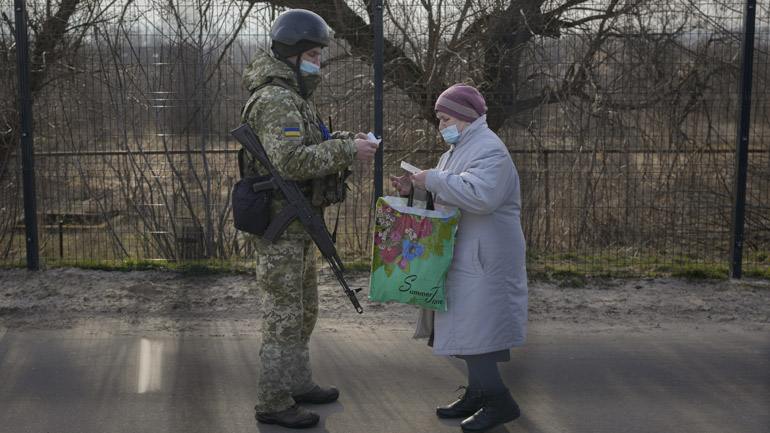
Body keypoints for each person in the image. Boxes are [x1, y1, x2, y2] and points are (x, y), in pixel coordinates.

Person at [239, 9, 379, 429]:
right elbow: (291, 161)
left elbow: (312, 142)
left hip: (298, 227)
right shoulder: (276, 99)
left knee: (304, 311)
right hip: (281, 230)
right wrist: (347, 152)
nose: (319, 62)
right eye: (313, 55)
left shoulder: (295, 96)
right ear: (292, 53)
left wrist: (346, 140)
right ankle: (273, 401)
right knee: (283, 317)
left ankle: (296, 383)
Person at [390, 83, 527, 433]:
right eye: (439, 118)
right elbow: (450, 194)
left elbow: (481, 196)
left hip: (486, 258)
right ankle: (477, 394)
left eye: (445, 118)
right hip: (469, 253)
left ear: (466, 118)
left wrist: (434, 179)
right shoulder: (459, 149)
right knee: (468, 329)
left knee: (476, 331)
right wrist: (416, 187)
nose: (441, 126)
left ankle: (500, 402)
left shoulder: (490, 149)